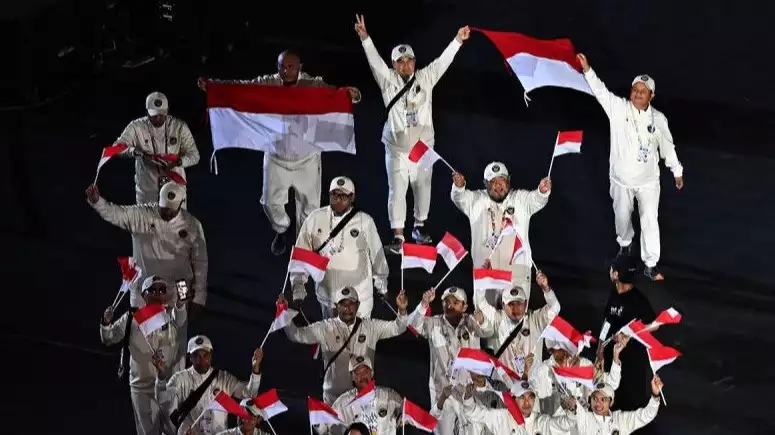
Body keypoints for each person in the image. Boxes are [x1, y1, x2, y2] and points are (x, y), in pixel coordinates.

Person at [198, 51, 362, 256]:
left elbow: (336, 93)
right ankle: (282, 229)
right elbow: (242, 88)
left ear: (299, 67)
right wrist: (215, 87)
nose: (285, 71)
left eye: (290, 67)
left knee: (309, 207)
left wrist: (351, 96)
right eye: (281, 67)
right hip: (276, 155)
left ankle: (304, 245)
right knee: (270, 203)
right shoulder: (268, 83)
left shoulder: (313, 84)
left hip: (307, 157)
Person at [354, 14, 470, 253]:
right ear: (394, 64)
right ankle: (398, 237)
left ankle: (419, 225)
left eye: (409, 60)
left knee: (422, 186)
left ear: (414, 62)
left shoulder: (426, 78)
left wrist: (458, 40)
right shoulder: (388, 81)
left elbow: (442, 62)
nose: (405, 65)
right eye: (400, 61)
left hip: (421, 146)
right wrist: (365, 39)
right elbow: (375, 62)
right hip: (396, 148)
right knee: (397, 189)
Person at [577, 53, 684, 281]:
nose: (637, 93)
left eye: (642, 91)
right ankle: (625, 246)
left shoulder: (659, 120)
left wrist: (677, 171)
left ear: (651, 96)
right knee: (622, 218)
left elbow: (667, 147)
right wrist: (587, 70)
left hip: (648, 183)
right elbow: (600, 91)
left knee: (649, 220)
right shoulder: (618, 108)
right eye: (635, 89)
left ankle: (650, 264)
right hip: (621, 180)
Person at [86, 182, 208, 315]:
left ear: (181, 204)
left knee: (177, 331)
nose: (166, 213)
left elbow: (200, 262)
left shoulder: (193, 225)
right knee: (140, 332)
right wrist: (98, 202)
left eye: (171, 211)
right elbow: (117, 214)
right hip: (144, 287)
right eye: (163, 208)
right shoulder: (142, 215)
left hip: (179, 287)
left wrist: (199, 298)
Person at [279, 288, 409, 404]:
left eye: (351, 303)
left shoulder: (370, 327)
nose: (347, 308)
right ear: (336, 306)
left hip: (362, 397)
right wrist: (283, 313)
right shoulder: (325, 328)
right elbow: (296, 335)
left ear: (358, 305)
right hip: (333, 398)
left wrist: (402, 310)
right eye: (343, 304)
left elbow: (398, 328)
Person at [451, 162, 552, 307]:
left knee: (515, 320)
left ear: (509, 181)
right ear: (485, 184)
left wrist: (542, 191)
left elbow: (537, 199)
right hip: (486, 271)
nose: (498, 185)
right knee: (484, 322)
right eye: (493, 182)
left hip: (516, 273)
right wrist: (459, 188)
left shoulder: (520, 200)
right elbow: (458, 198)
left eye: (502, 180)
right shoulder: (475, 200)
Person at [100, 276, 188, 435]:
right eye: (153, 290)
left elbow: (180, 316)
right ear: (144, 295)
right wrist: (106, 323)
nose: (158, 293)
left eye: (162, 290)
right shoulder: (131, 319)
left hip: (168, 385)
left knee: (174, 430)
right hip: (142, 387)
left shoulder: (169, 316)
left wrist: (182, 299)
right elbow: (109, 338)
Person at [291, 176, 389, 319]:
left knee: (359, 339)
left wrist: (382, 285)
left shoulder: (364, 221)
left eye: (343, 196)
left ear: (352, 197)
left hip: (360, 298)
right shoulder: (315, 218)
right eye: (334, 195)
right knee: (331, 338)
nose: (338, 199)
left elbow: (377, 255)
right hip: (328, 297)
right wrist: (298, 288)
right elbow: (301, 255)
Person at [408, 286, 493, 434]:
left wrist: (483, 321)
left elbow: (488, 331)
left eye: (455, 302)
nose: (449, 305)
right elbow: (413, 325)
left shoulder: (470, 321)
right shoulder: (434, 323)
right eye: (446, 302)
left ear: (464, 306)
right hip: (443, 393)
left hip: (469, 391)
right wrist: (423, 304)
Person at [153, 336, 263, 435]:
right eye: (197, 356)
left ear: (211, 355)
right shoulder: (180, 378)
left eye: (205, 355)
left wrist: (255, 369)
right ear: (190, 357)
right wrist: (161, 377)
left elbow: (249, 394)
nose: (202, 360)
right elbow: (163, 400)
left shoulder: (223, 378)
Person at [116, 91, 200, 207]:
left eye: (162, 114)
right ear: (147, 112)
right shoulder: (136, 127)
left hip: (175, 192)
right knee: (147, 225)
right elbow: (117, 148)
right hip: (147, 193)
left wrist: (178, 162)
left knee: (178, 225)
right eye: (154, 115)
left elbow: (194, 156)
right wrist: (137, 152)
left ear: (167, 110)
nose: (158, 118)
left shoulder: (179, 127)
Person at [600, 257, 656, 413]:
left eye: (612, 268)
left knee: (630, 406)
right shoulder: (614, 293)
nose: (609, 270)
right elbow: (607, 321)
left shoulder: (639, 301)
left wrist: (630, 334)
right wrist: (600, 347)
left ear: (616, 274)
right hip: (613, 357)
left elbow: (654, 325)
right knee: (611, 397)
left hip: (633, 363)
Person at [475, 272, 560, 374]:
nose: (515, 308)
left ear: (525, 303)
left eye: (519, 303)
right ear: (503, 305)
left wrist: (546, 288)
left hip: (532, 384)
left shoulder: (535, 319)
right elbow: (481, 303)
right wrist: (483, 280)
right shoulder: (497, 318)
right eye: (510, 304)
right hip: (507, 381)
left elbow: (555, 308)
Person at [315, 355, 402, 435]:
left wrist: (402, 418)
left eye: (365, 371)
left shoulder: (390, 396)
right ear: (352, 377)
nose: (362, 376)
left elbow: (406, 412)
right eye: (358, 373)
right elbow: (324, 428)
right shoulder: (342, 403)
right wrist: (316, 419)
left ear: (372, 373)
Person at [462, 381, 575, 435]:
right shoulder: (502, 417)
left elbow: (565, 424)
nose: (527, 402)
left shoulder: (541, 421)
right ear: (513, 398)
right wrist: (467, 396)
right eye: (522, 397)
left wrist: (572, 409)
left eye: (530, 397)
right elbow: (473, 413)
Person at [565, 378, 663, 435]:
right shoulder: (585, 417)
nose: (597, 403)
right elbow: (575, 410)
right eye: (595, 398)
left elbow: (646, 415)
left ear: (611, 402)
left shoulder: (621, 420)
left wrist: (655, 395)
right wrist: (572, 406)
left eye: (603, 400)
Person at [431, 373, 504, 435]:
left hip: (451, 385)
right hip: (482, 393)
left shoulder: (448, 429)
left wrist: (443, 397)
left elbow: (433, 416)